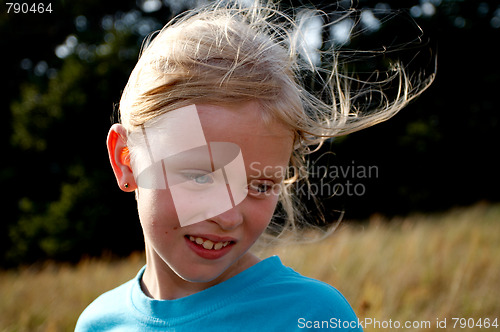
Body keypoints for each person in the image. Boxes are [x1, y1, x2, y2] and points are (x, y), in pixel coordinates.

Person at [76, 1, 432, 330]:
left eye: (260, 186)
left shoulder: (310, 315)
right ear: (126, 159)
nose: (229, 216)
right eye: (201, 176)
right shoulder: (98, 323)